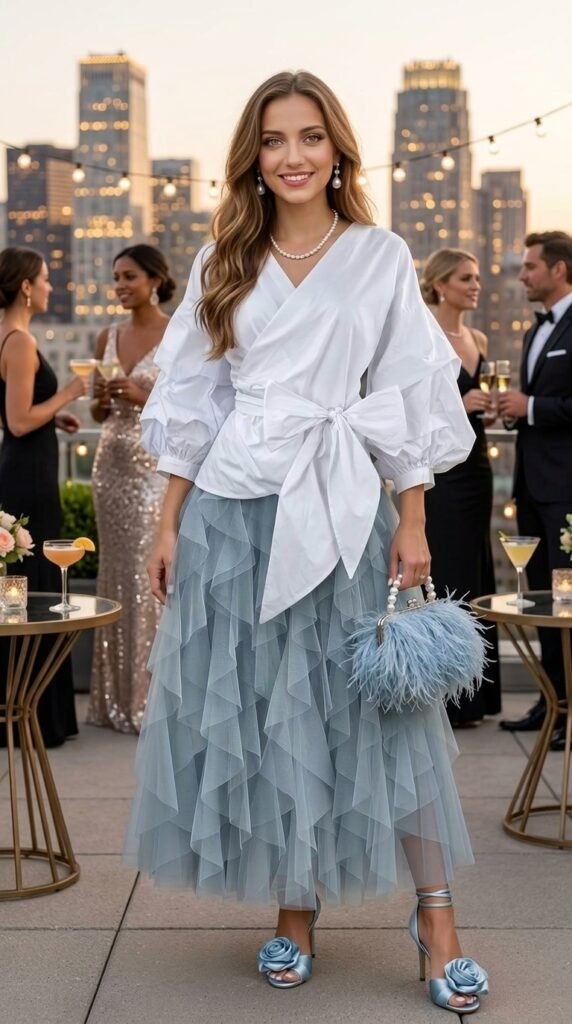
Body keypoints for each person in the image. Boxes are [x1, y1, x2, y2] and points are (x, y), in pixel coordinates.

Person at [124, 72, 489, 1014]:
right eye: (276, 139)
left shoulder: (378, 254)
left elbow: (409, 393)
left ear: (338, 151)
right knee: (272, 710)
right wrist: (167, 523)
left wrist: (411, 518)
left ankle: (438, 916)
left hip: (341, 512)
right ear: (254, 155)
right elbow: (194, 405)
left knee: (386, 714)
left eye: (311, 137)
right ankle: (295, 907)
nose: (293, 156)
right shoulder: (222, 260)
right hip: (234, 516)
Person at [0, 246, 86, 747]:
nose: (52, 287)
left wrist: (54, 414)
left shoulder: (10, 339)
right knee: (30, 585)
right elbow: (17, 421)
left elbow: (25, 415)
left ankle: (21, 705)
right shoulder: (20, 341)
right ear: (26, 287)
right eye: (46, 279)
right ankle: (31, 713)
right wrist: (69, 394)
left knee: (19, 584)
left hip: (22, 471)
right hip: (27, 480)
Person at [87, 244, 174, 733]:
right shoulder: (108, 335)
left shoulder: (177, 333)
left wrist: (141, 395)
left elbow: (187, 405)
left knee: (151, 578)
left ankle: (152, 701)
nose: (120, 286)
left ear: (155, 280)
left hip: (153, 468)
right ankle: (114, 699)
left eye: (129, 277)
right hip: (110, 465)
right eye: (116, 277)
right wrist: (103, 398)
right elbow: (99, 415)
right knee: (115, 574)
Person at [420, 249, 502, 727]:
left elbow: (479, 408)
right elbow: (410, 403)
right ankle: (446, 697)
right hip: (442, 471)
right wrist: (458, 398)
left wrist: (488, 409)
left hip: (479, 466)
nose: (475, 286)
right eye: (465, 278)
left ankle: (478, 697)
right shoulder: (425, 334)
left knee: (477, 567)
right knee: (445, 568)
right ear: (439, 285)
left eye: (476, 278)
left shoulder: (478, 336)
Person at [498, 231, 572, 750]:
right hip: (531, 486)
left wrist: (531, 409)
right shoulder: (533, 330)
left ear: (559, 269)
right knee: (541, 599)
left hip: (567, 492)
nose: (522, 275)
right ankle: (552, 703)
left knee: (568, 602)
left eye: (530, 267)